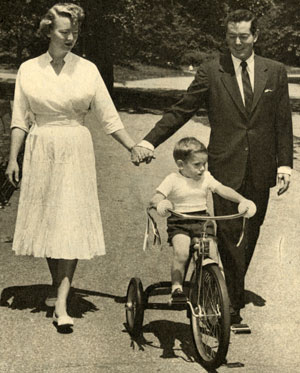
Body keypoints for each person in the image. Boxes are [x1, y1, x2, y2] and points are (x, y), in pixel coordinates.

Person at [132, 9, 293, 325]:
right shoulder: (211, 70)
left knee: (251, 230)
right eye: (231, 36)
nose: (237, 42)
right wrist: (149, 141)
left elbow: (283, 122)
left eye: (243, 36)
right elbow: (182, 110)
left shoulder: (274, 71)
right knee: (231, 231)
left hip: (261, 167)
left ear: (255, 36)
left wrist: (285, 165)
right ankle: (230, 304)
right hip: (224, 166)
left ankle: (225, 289)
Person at [5, 3, 136, 330]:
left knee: (70, 221)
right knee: (51, 222)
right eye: (64, 31)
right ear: (48, 30)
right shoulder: (28, 69)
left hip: (75, 148)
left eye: (75, 31)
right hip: (41, 147)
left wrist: (132, 146)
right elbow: (20, 118)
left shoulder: (88, 69)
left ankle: (61, 303)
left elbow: (108, 116)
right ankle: (58, 284)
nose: (71, 37)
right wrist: (12, 159)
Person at [150, 137, 256, 302]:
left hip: (202, 221)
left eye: (204, 164)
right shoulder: (173, 179)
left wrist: (242, 200)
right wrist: (162, 203)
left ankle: (211, 286)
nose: (202, 169)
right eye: (196, 165)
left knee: (212, 254)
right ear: (181, 164)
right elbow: (156, 198)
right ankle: (177, 287)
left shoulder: (206, 177)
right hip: (180, 222)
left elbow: (222, 189)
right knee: (182, 252)